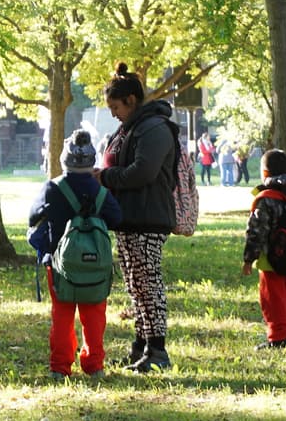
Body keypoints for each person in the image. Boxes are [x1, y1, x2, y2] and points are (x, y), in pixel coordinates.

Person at [95, 62, 178, 372]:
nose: (114, 113)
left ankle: (157, 349)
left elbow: (143, 172)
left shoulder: (153, 128)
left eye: (116, 106)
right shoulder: (131, 127)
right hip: (130, 217)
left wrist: (104, 177)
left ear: (130, 100)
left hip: (148, 217)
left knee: (148, 284)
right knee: (135, 284)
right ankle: (141, 346)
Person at [28, 130, 123, 379]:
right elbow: (116, 218)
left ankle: (60, 367)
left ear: (64, 160)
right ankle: (94, 366)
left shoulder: (52, 188)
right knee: (94, 318)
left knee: (62, 316)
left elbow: (32, 217)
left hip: (60, 265)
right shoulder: (100, 192)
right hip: (96, 266)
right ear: (92, 161)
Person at [241, 148, 286, 349]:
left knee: (271, 299)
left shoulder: (266, 197)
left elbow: (256, 231)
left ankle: (278, 338)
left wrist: (248, 258)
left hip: (270, 256)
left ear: (265, 173)